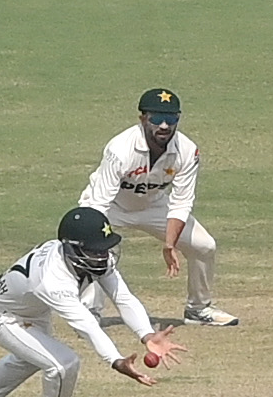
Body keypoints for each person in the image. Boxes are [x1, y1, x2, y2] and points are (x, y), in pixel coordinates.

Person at [0, 206, 186, 397]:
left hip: (32, 312)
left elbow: (123, 297)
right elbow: (87, 325)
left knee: (28, 359)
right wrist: (116, 360)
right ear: (73, 249)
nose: (103, 256)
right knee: (63, 364)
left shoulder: (92, 258)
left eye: (105, 249)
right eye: (95, 251)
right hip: (3, 316)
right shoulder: (52, 281)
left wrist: (147, 335)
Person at [78, 87, 238, 326]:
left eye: (171, 119)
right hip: (111, 207)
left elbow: (181, 202)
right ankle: (88, 314)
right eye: (156, 119)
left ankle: (198, 308)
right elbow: (100, 202)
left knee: (204, 246)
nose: (164, 126)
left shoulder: (187, 150)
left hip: (153, 205)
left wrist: (169, 243)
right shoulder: (120, 149)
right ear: (143, 118)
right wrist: (99, 238)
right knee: (98, 250)